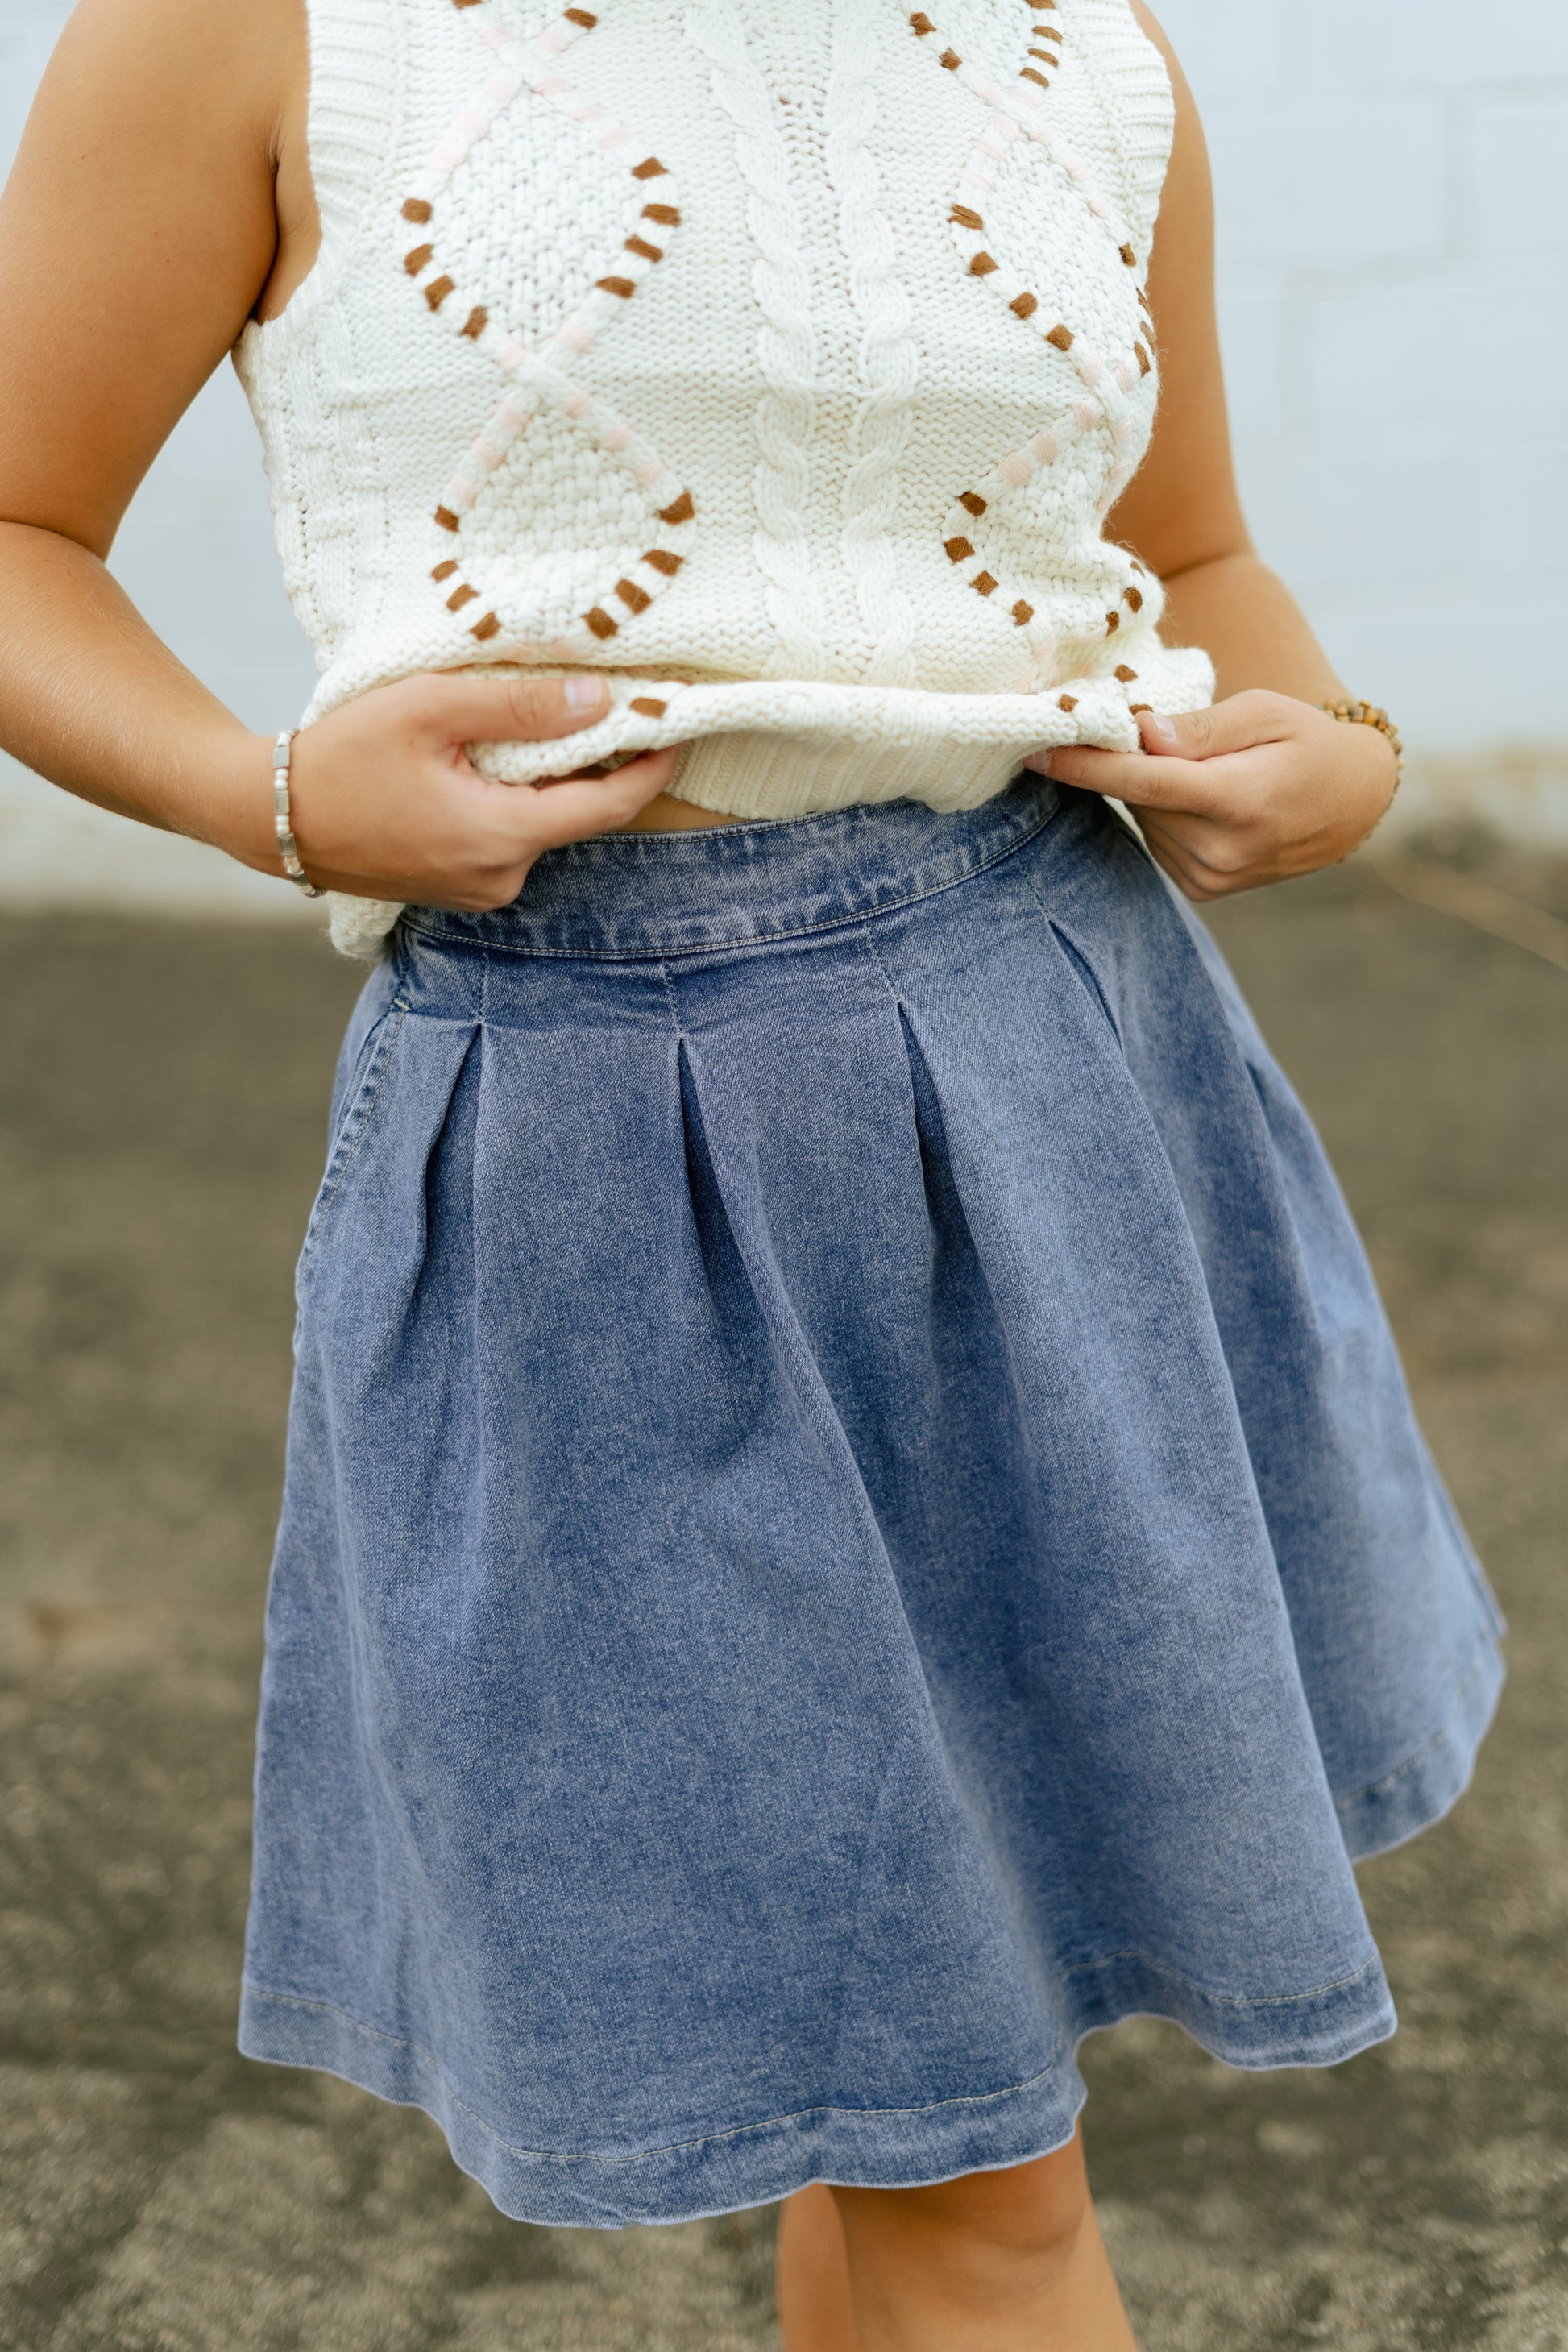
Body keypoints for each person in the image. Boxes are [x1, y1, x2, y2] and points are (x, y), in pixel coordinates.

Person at [0, 0, 1504, 2342]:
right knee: (971, 2178)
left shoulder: (1079, 47)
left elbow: (1187, 550)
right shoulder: (252, 30)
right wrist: (269, 795)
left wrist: (1333, 753)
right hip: (610, 1145)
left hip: (1067, 1064)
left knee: (924, 2114)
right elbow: (14, 525)